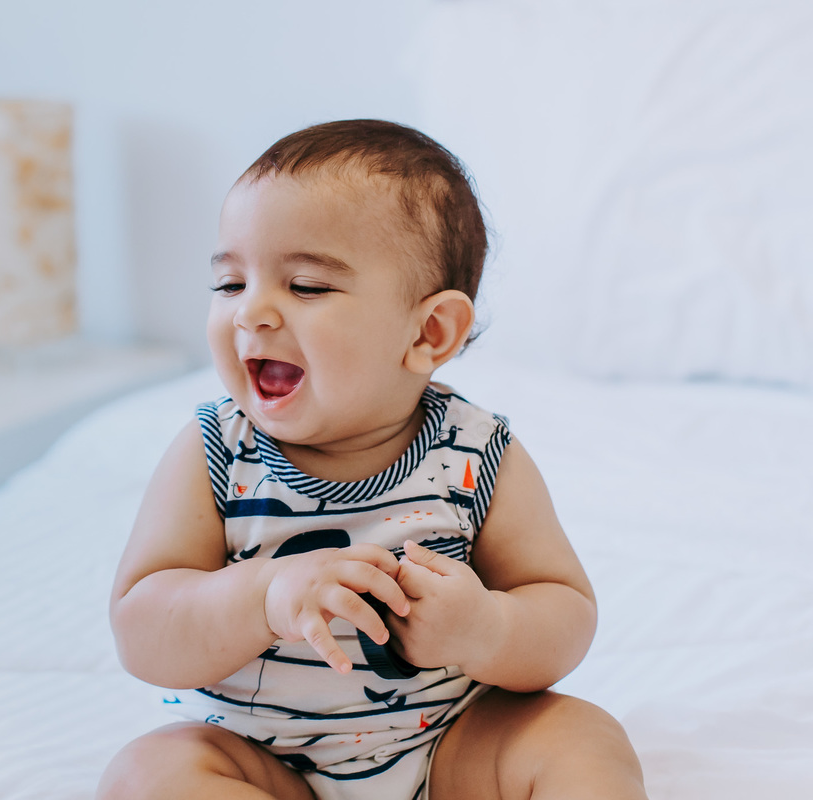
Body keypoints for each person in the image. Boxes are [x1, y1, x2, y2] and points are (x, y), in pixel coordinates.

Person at [97, 119, 647, 800]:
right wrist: (264, 597)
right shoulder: (216, 453)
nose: (251, 314)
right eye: (231, 285)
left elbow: (564, 613)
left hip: (451, 746)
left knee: (582, 738)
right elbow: (143, 632)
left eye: (305, 286)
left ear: (428, 331)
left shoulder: (475, 455)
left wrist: (487, 627)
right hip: (265, 762)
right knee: (147, 775)